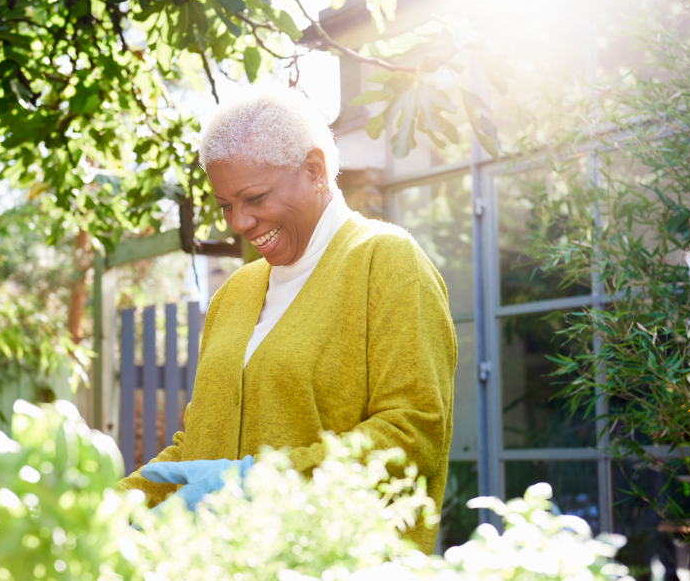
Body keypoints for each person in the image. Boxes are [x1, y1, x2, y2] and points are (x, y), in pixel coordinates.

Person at [118, 86, 456, 554]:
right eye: (225, 205)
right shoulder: (233, 294)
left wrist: (256, 483)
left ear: (314, 170)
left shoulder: (387, 262)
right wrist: (114, 506)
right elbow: (198, 449)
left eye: (254, 197)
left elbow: (412, 435)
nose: (238, 222)